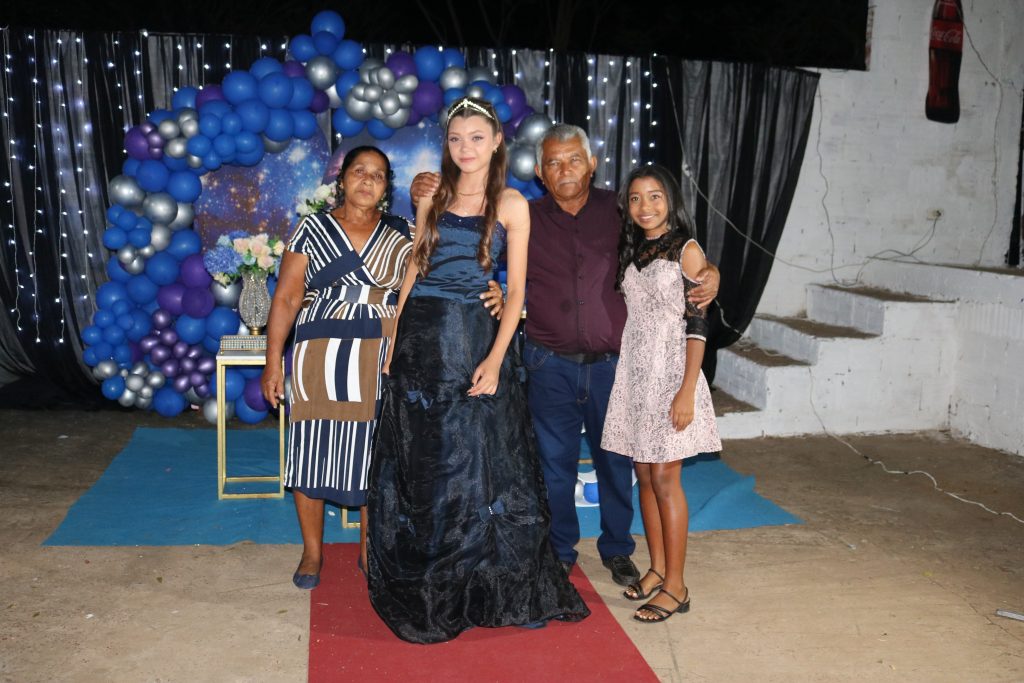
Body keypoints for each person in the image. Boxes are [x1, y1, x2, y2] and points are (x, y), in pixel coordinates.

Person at [411, 123, 719, 587]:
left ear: (592, 164)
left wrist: (711, 270)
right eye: (553, 163)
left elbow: (671, 247)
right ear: (539, 172)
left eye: (574, 159)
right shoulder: (523, 214)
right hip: (547, 362)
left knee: (616, 464)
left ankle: (618, 548)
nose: (565, 169)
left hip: (616, 367)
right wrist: (492, 288)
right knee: (553, 467)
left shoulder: (623, 210)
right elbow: (469, 244)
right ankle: (559, 550)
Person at [367, 97, 589, 644]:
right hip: (422, 342)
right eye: (455, 138)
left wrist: (494, 359)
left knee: (488, 464)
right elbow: (416, 265)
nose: (465, 148)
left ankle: (497, 588)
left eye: (475, 137)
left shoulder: (513, 204)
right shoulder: (432, 195)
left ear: (495, 143)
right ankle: (438, 584)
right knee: (434, 462)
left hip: (475, 341)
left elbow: (516, 293)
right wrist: (393, 332)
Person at [261, 146, 413, 590]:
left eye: (378, 175)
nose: (367, 180)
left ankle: (369, 549)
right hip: (318, 354)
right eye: (359, 171)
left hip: (381, 354)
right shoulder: (311, 228)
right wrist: (273, 362)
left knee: (373, 453)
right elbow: (287, 297)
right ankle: (312, 552)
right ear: (342, 179)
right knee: (311, 448)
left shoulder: (403, 232)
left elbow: (425, 291)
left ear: (387, 188)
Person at [602, 164, 722, 622]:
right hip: (637, 374)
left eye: (654, 196)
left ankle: (676, 586)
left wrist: (687, 390)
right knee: (646, 476)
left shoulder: (686, 249)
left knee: (667, 480)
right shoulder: (634, 249)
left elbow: (698, 324)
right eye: (635, 198)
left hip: (672, 373)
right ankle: (656, 569)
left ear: (671, 200)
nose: (645, 206)